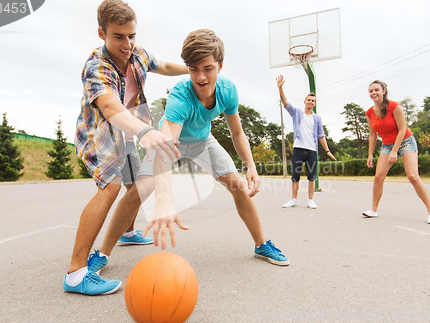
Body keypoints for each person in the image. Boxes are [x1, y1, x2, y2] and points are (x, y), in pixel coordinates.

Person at [63, 0, 188, 296]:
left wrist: (192, 68)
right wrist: (145, 131)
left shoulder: (139, 53)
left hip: (130, 129)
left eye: (132, 35)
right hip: (101, 131)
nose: (127, 43)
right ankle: (76, 272)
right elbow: (110, 107)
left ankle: (128, 233)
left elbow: (165, 66)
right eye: (119, 36)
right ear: (101, 33)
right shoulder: (96, 67)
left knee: (136, 185)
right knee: (112, 187)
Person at [143, 29, 289, 266]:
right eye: (193, 68)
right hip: (170, 142)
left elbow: (237, 132)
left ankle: (262, 245)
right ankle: (109, 247)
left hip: (203, 140)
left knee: (238, 186)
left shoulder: (228, 91)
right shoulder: (181, 95)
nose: (200, 77)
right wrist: (165, 199)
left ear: (220, 66)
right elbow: (166, 148)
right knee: (140, 189)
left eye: (207, 68)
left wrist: (250, 165)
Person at [363, 80, 430, 224]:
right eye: (371, 91)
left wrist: (395, 151)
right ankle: (373, 209)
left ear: (383, 91)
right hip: (386, 144)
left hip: (405, 141)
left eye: (376, 90)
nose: (373, 93)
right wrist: (370, 154)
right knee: (378, 176)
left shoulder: (394, 106)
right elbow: (373, 135)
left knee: (412, 176)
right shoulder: (369, 112)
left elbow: (402, 129)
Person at [276, 75, 336, 209]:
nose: (310, 102)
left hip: (312, 151)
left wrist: (327, 150)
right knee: (295, 176)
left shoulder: (317, 118)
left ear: (315, 103)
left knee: (311, 177)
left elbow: (321, 136)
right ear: (304, 102)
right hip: (298, 148)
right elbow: (285, 103)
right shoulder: (297, 113)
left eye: (313, 100)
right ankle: (294, 199)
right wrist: (280, 88)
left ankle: (310, 200)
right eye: (308, 100)